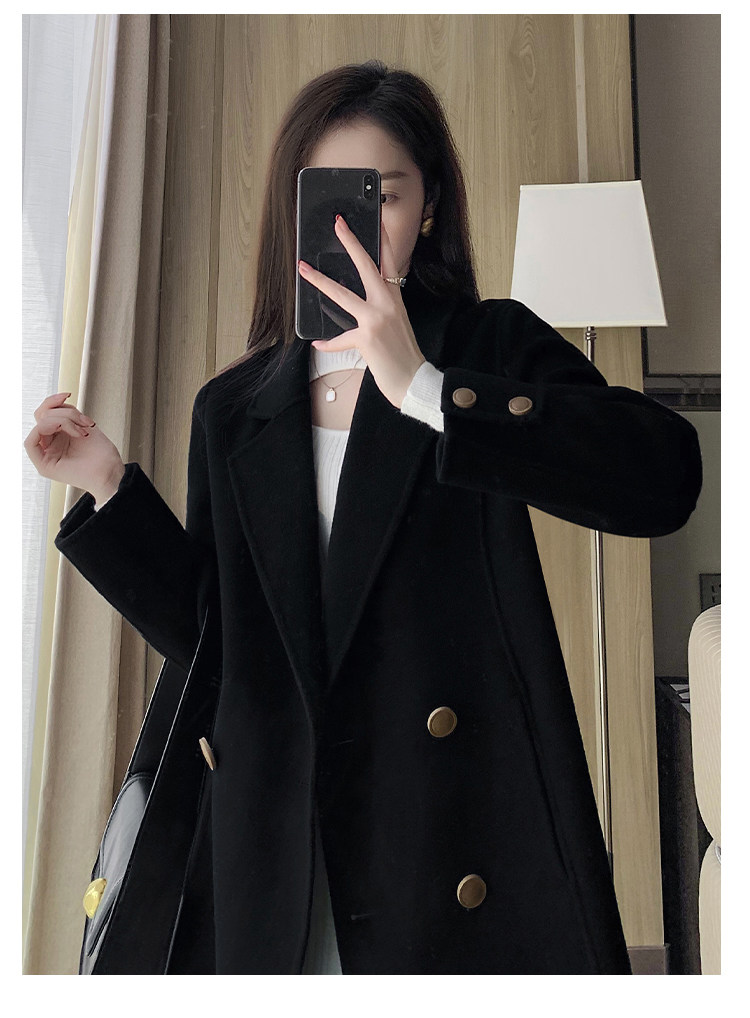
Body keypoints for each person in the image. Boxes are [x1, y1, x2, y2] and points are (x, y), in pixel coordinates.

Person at [24, 60, 702, 975]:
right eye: (329, 196)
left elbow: (665, 477)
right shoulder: (236, 409)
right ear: (293, 211)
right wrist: (109, 485)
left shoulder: (485, 348)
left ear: (429, 210)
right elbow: (222, 645)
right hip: (280, 838)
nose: (353, 227)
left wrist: (424, 387)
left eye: (382, 195)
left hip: (447, 826)